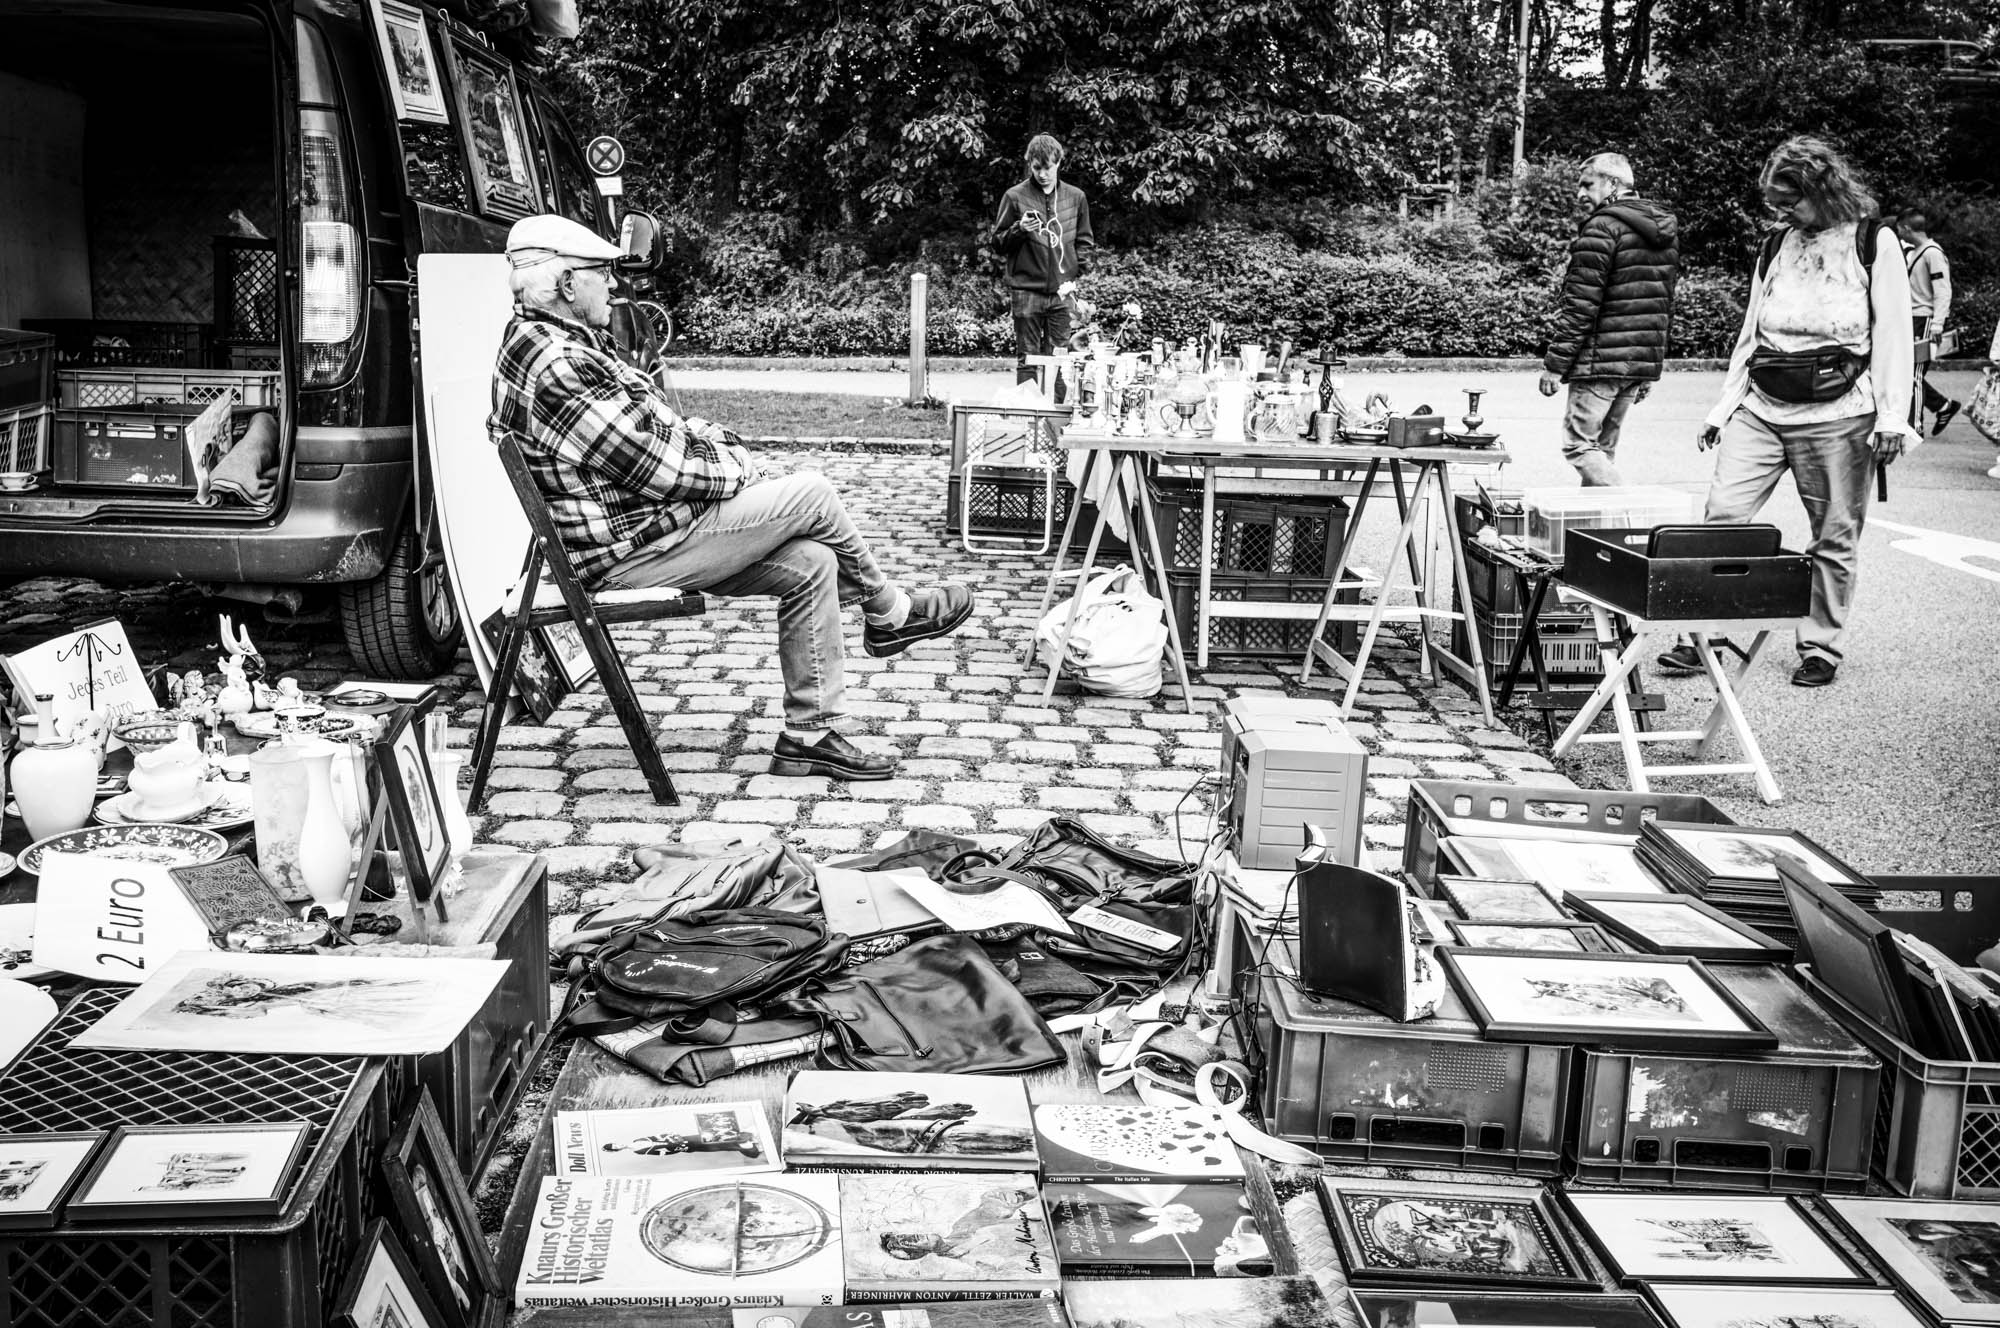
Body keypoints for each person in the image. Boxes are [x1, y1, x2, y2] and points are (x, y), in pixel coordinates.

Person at [488, 215, 974, 781]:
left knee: (811, 562)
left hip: (649, 529)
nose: (615, 285)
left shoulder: (557, 343)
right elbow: (664, 470)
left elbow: (660, 426)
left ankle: (807, 735)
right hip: (634, 550)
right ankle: (889, 611)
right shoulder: (559, 362)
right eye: (602, 274)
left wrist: (716, 446)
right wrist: (742, 466)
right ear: (568, 285)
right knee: (812, 493)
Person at [1661, 136, 1916, 689]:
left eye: (1790, 201)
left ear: (1822, 190)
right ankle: (1698, 637)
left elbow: (1896, 333)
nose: (1781, 213)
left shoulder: (1875, 241)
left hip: (1840, 409)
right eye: (1776, 203)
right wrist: (1724, 405)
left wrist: (1894, 416)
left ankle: (1820, 645)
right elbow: (1752, 329)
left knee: (1834, 534)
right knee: (1722, 517)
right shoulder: (1777, 244)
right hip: (1763, 404)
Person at [1538, 153, 1681, 486]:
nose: (1580, 195)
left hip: (1600, 360)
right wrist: (1648, 370)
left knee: (1579, 446)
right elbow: (1660, 305)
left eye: (1588, 184)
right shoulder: (1663, 230)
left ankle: (1628, 510)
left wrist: (1555, 365)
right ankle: (1596, 537)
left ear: (1613, 183)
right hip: (1636, 361)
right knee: (1602, 452)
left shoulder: (1603, 227)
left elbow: (1580, 305)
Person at [991, 134, 1093, 395]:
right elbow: (998, 243)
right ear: (1030, 165)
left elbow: (1084, 241)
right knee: (1027, 358)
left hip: (1062, 292)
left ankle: (1056, 420)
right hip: (1026, 290)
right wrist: (1020, 228)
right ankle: (1029, 418)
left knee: (1061, 359)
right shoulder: (1014, 197)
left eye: (1047, 168)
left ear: (1058, 163)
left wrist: (1076, 272)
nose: (1042, 174)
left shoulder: (1076, 197)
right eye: (1037, 168)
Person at [1897, 207, 1960, 435]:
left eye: (1899, 230)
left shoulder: (1932, 253)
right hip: (1911, 318)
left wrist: (1937, 324)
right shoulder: (1915, 251)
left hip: (1923, 319)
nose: (1898, 234)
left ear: (1906, 228)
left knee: (1913, 374)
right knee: (1907, 373)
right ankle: (1943, 406)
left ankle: (1915, 426)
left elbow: (1943, 291)